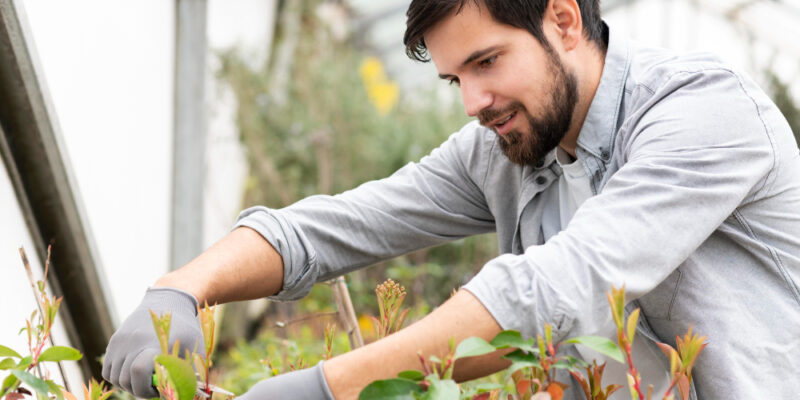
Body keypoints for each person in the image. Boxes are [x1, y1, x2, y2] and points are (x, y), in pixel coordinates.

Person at [102, 0, 800, 398]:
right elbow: (336, 228)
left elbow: (552, 292)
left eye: (487, 62)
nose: (474, 103)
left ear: (562, 20)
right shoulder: (507, 147)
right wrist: (182, 288)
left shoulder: (703, 113)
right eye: (453, 79)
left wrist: (330, 389)